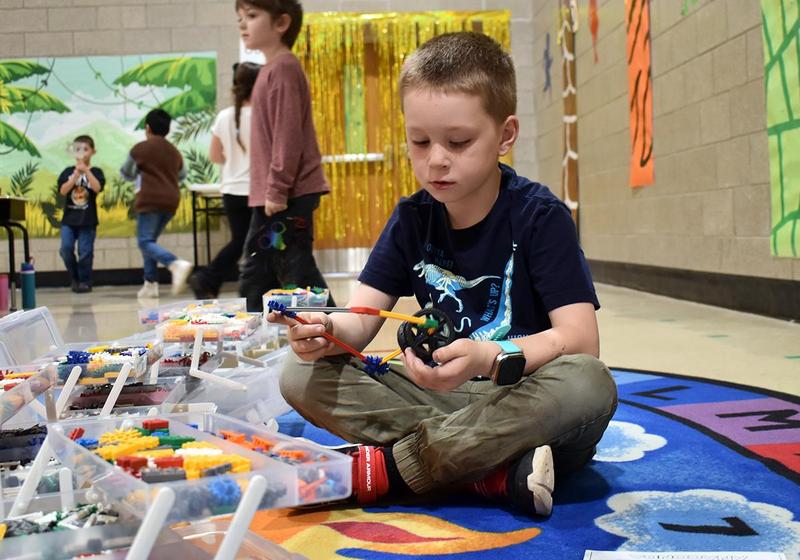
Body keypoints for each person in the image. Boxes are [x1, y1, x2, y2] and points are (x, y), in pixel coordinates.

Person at [268, 32, 618, 517]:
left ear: (506, 135)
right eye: (419, 141)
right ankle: (490, 473)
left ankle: (396, 469)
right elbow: (360, 322)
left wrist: (488, 358)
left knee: (588, 383)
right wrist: (326, 330)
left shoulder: (540, 216)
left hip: (523, 402)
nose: (435, 159)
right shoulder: (412, 217)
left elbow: (581, 341)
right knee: (299, 374)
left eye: (458, 142)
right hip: (447, 405)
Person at [236, 0, 334, 312]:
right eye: (240, 17)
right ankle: (257, 344)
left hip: (287, 196)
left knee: (294, 274)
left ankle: (340, 339)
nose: (242, 24)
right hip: (276, 195)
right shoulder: (271, 69)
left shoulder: (284, 68)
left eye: (251, 16)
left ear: (281, 24)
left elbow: (287, 135)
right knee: (261, 273)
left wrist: (277, 188)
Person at [189, 62, 261, 299]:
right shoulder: (264, 116)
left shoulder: (224, 117)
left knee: (241, 241)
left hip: (231, 190)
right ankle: (214, 278)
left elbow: (215, 156)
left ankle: (210, 278)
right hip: (257, 192)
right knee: (257, 243)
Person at [120, 108, 192, 299]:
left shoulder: (140, 149)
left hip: (149, 200)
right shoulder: (175, 152)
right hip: (171, 202)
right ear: (167, 130)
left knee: (144, 241)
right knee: (149, 241)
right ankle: (150, 284)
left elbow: (127, 173)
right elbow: (182, 175)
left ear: (147, 128)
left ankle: (174, 263)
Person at [58, 135, 105, 293]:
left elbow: (97, 188)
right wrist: (76, 175)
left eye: (86, 149)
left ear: (93, 152)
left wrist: (86, 171)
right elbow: (63, 190)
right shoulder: (68, 172)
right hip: (69, 220)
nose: (82, 152)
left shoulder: (96, 172)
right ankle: (75, 277)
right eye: (78, 149)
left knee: (85, 252)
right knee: (65, 249)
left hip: (88, 219)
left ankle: (85, 281)